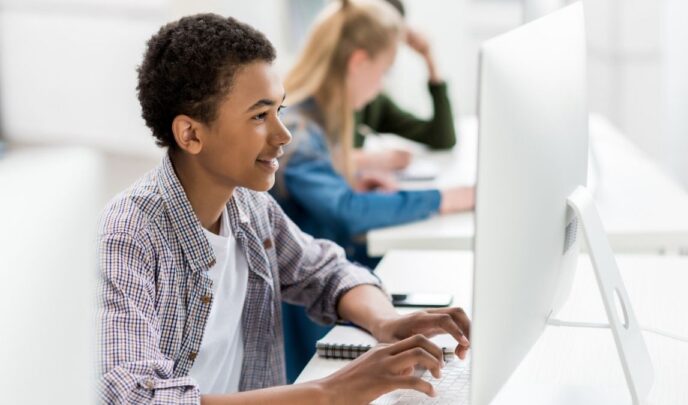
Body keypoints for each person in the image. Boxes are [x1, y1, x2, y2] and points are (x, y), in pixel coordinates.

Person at [96, 13, 471, 404]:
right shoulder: (128, 237)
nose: (284, 134)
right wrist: (330, 391)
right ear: (191, 134)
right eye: (260, 116)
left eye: (280, 110)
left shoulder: (250, 207)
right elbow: (136, 399)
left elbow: (325, 271)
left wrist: (387, 322)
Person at [271, 0, 475, 382]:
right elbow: (347, 211)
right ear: (358, 62)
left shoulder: (321, 119)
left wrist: (348, 178)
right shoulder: (296, 128)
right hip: (307, 319)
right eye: (383, 72)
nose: (382, 84)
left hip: (332, 294)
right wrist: (443, 199)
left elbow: (328, 195)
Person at [353, 0, 456, 173]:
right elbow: (315, 158)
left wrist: (428, 57)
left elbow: (442, 138)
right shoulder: (325, 96)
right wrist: (376, 159)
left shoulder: (373, 100)